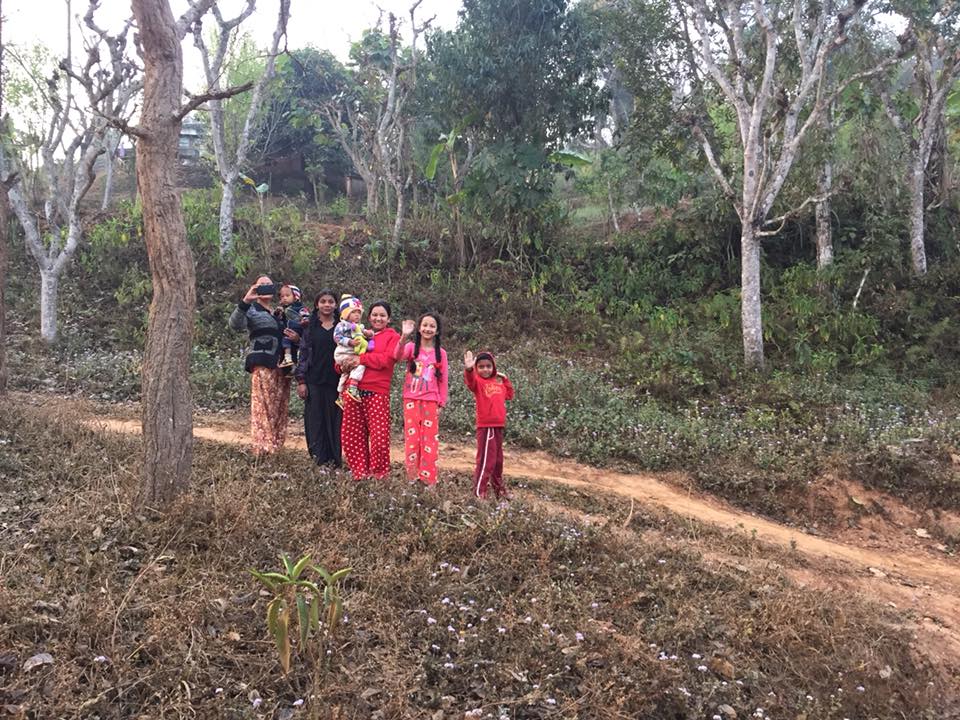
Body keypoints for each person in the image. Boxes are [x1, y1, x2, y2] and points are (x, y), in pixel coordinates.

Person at [228, 275, 299, 456]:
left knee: (279, 407)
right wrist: (246, 300)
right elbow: (235, 325)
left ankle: (276, 446)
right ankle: (263, 449)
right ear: (255, 288)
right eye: (261, 285)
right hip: (262, 363)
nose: (266, 287)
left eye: (269, 285)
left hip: (283, 366)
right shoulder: (252, 310)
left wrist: (296, 338)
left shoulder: (280, 312)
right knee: (263, 406)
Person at [338, 301, 401, 481]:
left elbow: (386, 360)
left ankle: (379, 474)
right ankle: (359, 473)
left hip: (377, 391)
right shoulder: (358, 333)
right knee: (352, 435)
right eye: (374, 315)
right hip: (352, 390)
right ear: (369, 316)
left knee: (379, 437)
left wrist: (362, 359)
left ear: (388, 318)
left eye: (382, 315)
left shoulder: (393, 337)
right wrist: (342, 366)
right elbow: (343, 354)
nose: (378, 318)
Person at [395, 313, 448, 485]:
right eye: (425, 325)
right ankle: (412, 476)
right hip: (411, 399)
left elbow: (443, 380)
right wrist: (404, 336)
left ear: (437, 331)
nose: (428, 329)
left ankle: (428, 478)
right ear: (419, 328)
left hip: (431, 401)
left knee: (429, 440)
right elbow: (397, 356)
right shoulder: (411, 347)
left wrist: (441, 403)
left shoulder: (441, 353)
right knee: (412, 440)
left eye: (432, 326)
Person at [294, 290, 342, 467]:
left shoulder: (342, 327)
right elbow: (303, 354)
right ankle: (318, 459)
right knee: (315, 420)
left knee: (336, 421)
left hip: (337, 382)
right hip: (314, 380)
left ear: (336, 305)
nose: (327, 305)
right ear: (317, 305)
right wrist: (301, 381)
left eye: (330, 301)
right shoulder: (310, 327)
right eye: (323, 301)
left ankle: (335, 459)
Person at [463, 350, 515, 500]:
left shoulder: (498, 384)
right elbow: (470, 382)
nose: (485, 369)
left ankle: (499, 490)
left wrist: (505, 379)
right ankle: (479, 492)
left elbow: (510, 395)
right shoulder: (478, 383)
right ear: (477, 368)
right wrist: (469, 369)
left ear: (493, 367)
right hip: (486, 427)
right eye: (481, 367)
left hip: (498, 427)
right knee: (486, 460)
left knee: (498, 461)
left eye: (488, 366)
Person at [333, 295, 375, 403]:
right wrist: (349, 342)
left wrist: (369, 334)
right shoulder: (342, 325)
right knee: (360, 365)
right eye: (353, 312)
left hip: (351, 352)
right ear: (346, 314)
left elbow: (365, 334)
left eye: (359, 312)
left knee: (345, 373)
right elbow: (336, 337)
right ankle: (353, 386)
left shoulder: (359, 326)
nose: (357, 315)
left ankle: (340, 395)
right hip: (343, 352)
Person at [278, 284, 309, 369]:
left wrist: (305, 320)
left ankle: (288, 358)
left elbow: (305, 314)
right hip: (289, 329)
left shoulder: (298, 307)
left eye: (287, 296)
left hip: (297, 329)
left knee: (286, 340)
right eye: (282, 296)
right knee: (287, 341)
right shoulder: (284, 309)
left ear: (296, 297)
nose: (284, 298)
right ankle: (290, 363)